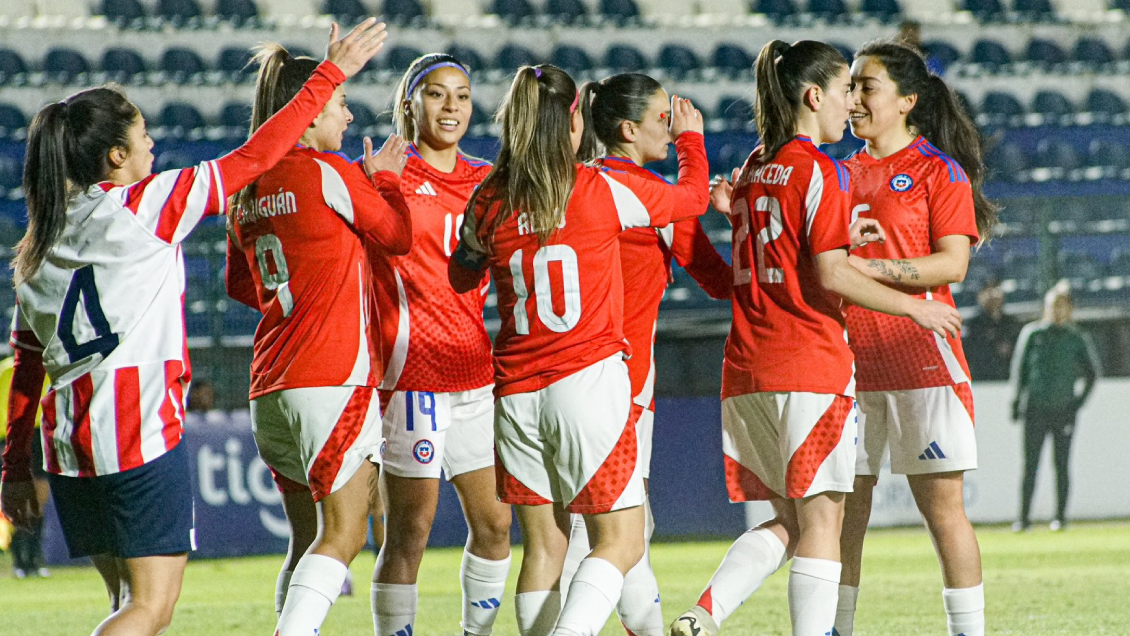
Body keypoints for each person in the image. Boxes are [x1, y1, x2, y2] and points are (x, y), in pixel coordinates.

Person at [0, 18, 388, 636]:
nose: (154, 147)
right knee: (149, 608)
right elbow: (258, 156)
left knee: (124, 602)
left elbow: (25, 366)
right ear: (116, 156)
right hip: (138, 429)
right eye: (145, 136)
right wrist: (330, 74)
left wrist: (14, 466)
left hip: (69, 442)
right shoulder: (143, 207)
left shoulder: (36, 246)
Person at [667, 40, 962, 636]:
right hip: (808, 367)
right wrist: (914, 307)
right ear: (813, 96)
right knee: (824, 524)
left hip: (744, 373)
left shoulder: (753, 167)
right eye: (843, 91)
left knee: (790, 525)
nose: (849, 104)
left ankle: (703, 615)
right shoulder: (820, 169)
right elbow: (831, 273)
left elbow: (762, 257)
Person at [448, 64, 709, 636]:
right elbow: (690, 200)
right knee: (621, 539)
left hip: (515, 392)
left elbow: (462, 277)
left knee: (544, 548)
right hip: (586, 382)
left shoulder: (490, 194)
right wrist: (690, 138)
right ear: (574, 121)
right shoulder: (598, 186)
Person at [223, 37, 412, 636]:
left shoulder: (246, 187)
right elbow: (397, 236)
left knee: (305, 537)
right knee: (345, 533)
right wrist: (383, 180)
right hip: (330, 376)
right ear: (308, 110)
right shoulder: (329, 172)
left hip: (269, 386)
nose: (349, 115)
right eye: (341, 103)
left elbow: (241, 286)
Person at [552, 71, 731, 636]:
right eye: (663, 118)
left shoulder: (571, 184)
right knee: (608, 533)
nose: (673, 125)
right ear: (628, 129)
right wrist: (693, 145)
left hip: (550, 377)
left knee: (613, 528)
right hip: (616, 383)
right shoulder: (652, 202)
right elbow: (722, 281)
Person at [835, 39, 999, 636]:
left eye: (866, 86)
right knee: (842, 515)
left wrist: (866, 270)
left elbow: (952, 265)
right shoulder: (835, 173)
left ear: (906, 101)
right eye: (849, 86)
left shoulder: (937, 171)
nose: (853, 98)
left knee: (940, 511)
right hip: (847, 365)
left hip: (922, 362)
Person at [365, 53, 513, 636]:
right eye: (436, 94)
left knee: (497, 525)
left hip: (475, 373)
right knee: (411, 531)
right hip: (412, 376)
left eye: (461, 95)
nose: (451, 106)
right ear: (409, 103)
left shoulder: (486, 180)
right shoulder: (383, 174)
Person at [1010, 282, 1100, 532]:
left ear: (1070, 309)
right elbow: (1020, 371)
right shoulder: (1032, 334)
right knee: (1030, 466)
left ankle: (1060, 517)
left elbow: (1092, 374)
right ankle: (1023, 518)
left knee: (1061, 465)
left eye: (1061, 306)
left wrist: (1077, 404)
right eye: (1052, 306)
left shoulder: (1075, 338)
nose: (1056, 311)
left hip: (1063, 411)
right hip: (1035, 409)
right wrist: (1017, 402)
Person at [0, 355, 50, 579]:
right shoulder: (6, 370)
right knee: (20, 499)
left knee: (38, 501)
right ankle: (20, 559)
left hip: (39, 433)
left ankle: (34, 557)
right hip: (12, 435)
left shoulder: (49, 366)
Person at [962, 278, 1021, 381]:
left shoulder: (1011, 323)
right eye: (988, 291)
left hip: (1007, 379)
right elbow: (969, 352)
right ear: (980, 296)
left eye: (996, 290)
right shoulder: (974, 325)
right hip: (981, 381)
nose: (993, 295)